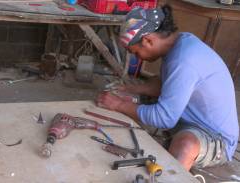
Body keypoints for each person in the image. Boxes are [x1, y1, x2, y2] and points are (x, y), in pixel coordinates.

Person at [97, 5, 239, 170]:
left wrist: (118, 105)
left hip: (216, 139)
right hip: (187, 118)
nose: (138, 58)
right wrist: (133, 90)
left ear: (148, 40)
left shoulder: (184, 60)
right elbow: (167, 83)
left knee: (185, 145)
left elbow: (164, 118)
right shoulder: (181, 42)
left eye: (136, 53)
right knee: (132, 102)